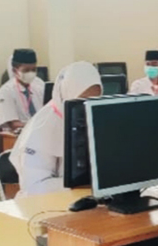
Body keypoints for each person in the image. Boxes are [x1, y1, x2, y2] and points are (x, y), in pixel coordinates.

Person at [10, 62, 102, 197]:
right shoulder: (41, 127)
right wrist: (82, 185)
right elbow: (33, 187)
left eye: (95, 100)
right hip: (42, 203)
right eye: (82, 100)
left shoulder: (93, 120)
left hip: (82, 197)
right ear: (66, 94)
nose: (88, 107)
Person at [0, 48, 46, 131]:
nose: (31, 73)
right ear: (15, 71)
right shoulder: (5, 92)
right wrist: (39, 126)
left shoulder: (40, 85)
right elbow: (14, 124)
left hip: (41, 131)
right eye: (26, 70)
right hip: (19, 136)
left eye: (33, 70)